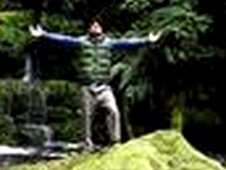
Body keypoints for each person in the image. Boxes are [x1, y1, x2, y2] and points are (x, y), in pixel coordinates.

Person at [29, 20, 160, 149]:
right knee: (86, 117)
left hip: (104, 87)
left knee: (113, 111)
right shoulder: (81, 42)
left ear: (102, 29)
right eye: (93, 25)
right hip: (87, 87)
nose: (96, 26)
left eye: (98, 25)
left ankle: (115, 142)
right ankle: (87, 144)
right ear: (89, 29)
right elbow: (63, 39)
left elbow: (127, 43)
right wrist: (43, 34)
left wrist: (147, 40)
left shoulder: (109, 43)